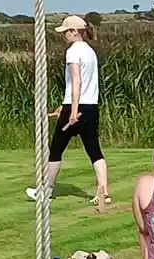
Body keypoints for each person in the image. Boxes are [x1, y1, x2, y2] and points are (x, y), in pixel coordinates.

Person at [27, 14, 109, 209]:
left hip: (78, 107)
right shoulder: (90, 52)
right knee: (94, 150)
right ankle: (104, 192)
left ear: (75, 32)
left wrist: (72, 111)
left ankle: (45, 191)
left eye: (66, 32)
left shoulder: (73, 52)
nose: (64, 36)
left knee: (56, 149)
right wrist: (65, 106)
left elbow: (76, 81)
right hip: (91, 106)